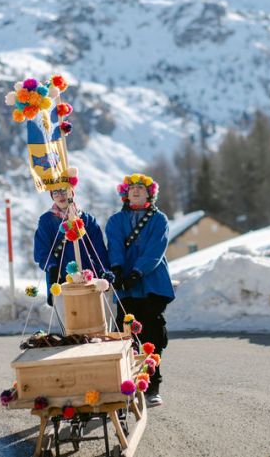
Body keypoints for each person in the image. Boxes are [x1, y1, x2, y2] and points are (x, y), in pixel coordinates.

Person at [105, 174, 175, 407]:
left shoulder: (160, 219)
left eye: (140, 188)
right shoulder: (115, 221)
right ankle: (128, 383)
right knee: (125, 335)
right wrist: (117, 269)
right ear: (125, 193)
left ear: (149, 193)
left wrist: (137, 271)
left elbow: (156, 250)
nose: (135, 191)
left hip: (152, 283)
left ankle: (152, 385)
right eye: (131, 188)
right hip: (125, 286)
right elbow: (114, 246)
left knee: (153, 334)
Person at [34, 186, 109, 306]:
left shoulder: (87, 220)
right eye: (56, 192)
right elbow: (42, 252)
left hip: (87, 279)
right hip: (59, 279)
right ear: (52, 196)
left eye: (64, 190)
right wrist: (52, 268)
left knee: (90, 318)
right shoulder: (46, 221)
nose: (60, 195)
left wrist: (104, 271)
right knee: (69, 321)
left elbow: (98, 251)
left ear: (71, 193)